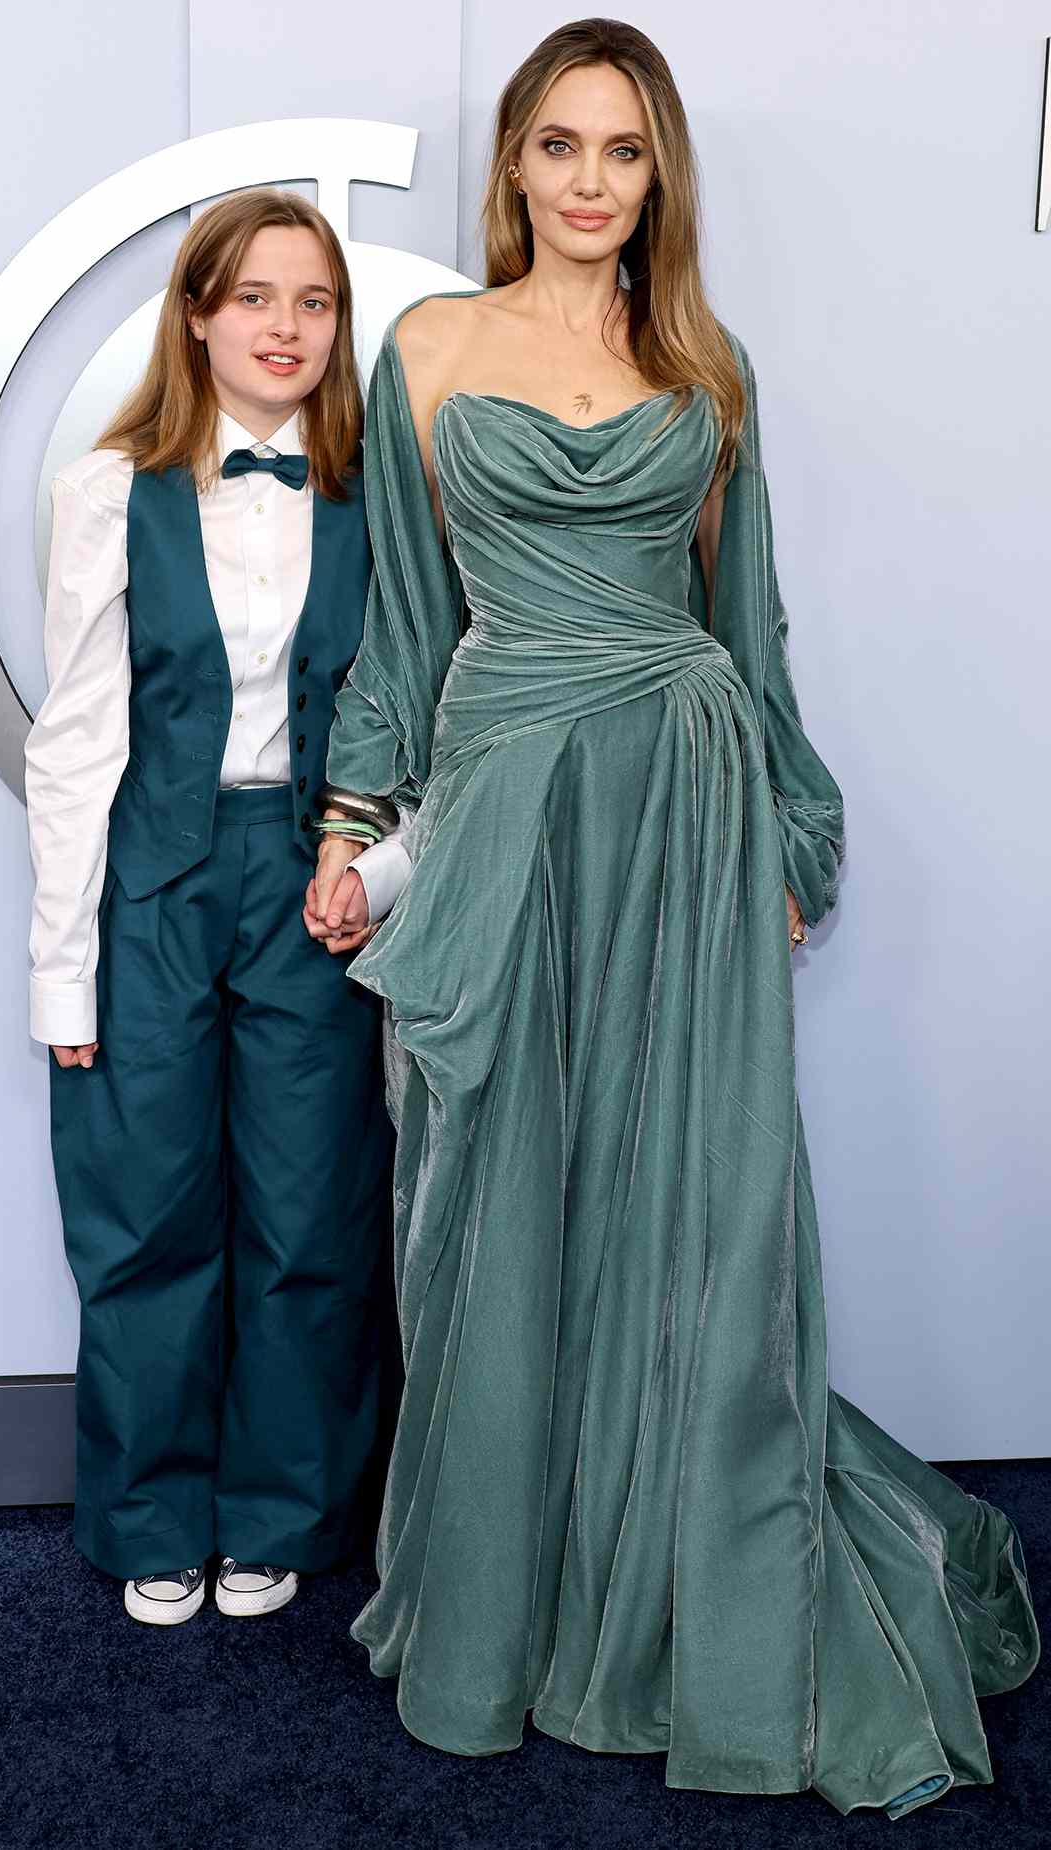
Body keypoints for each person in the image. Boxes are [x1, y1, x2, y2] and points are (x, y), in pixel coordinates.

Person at [305, 18, 1039, 1819]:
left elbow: (750, 622)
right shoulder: (426, 349)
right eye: (556, 146)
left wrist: (789, 825)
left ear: (658, 179)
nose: (584, 182)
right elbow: (404, 624)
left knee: (691, 1216)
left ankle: (682, 1603)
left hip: (687, 806)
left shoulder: (708, 368)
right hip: (503, 808)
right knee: (486, 1199)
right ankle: (500, 1608)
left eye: (620, 153)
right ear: (513, 167)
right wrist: (353, 817)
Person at [25, 188, 409, 1626]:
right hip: (153, 878)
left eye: (313, 302)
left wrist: (379, 867)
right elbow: (70, 740)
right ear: (197, 314)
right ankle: (147, 1514)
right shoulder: (109, 489)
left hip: (316, 882)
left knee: (310, 1212)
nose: (286, 327)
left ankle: (282, 1509)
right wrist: (61, 972)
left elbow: (418, 717)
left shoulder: (387, 498)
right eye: (254, 296)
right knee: (143, 1211)